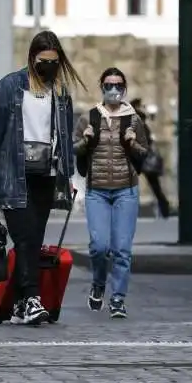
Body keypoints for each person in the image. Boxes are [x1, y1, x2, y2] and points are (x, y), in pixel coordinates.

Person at [0, 30, 84, 325]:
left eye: (54, 62)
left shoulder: (60, 92)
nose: (48, 67)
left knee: (33, 239)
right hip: (12, 173)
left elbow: (65, 136)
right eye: (43, 61)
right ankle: (31, 298)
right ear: (32, 59)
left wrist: (68, 175)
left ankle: (21, 303)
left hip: (47, 174)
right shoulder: (10, 86)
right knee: (24, 238)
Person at [74, 69, 148, 318]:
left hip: (126, 190)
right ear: (102, 87)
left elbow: (144, 154)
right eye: (108, 85)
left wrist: (131, 142)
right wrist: (85, 140)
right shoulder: (89, 117)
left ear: (124, 88)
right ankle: (98, 283)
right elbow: (74, 149)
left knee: (122, 249)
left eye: (117, 85)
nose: (113, 90)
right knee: (98, 246)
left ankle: (118, 298)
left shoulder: (134, 119)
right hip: (97, 192)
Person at [129, 98, 171, 219]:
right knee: (155, 186)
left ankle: (164, 208)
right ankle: (165, 208)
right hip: (142, 159)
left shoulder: (136, 124)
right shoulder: (141, 124)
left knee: (130, 186)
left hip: (139, 159)